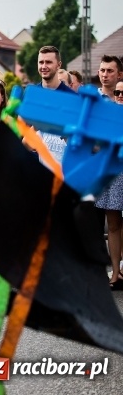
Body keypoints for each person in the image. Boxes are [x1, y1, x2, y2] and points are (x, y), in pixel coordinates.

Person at [98, 79, 123, 291]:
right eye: (117, 93)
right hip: (113, 175)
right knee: (113, 225)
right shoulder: (108, 116)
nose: (120, 96)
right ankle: (115, 272)